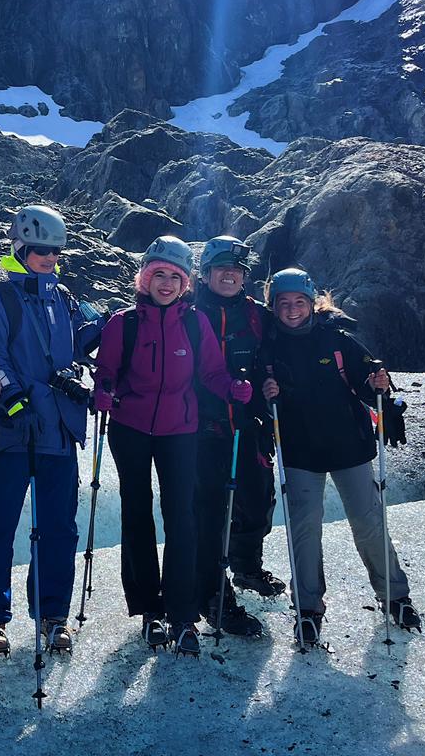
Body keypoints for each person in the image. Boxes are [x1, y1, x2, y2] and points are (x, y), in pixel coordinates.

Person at [92, 236, 253, 656]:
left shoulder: (195, 323)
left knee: (182, 516)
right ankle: (150, 610)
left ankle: (182, 613)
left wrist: (232, 387)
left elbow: (211, 374)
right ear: (145, 278)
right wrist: (104, 389)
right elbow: (105, 370)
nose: (165, 283)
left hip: (181, 431)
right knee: (137, 513)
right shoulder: (122, 323)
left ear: (185, 284)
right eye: (158, 274)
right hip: (129, 429)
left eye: (174, 277)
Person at [0, 205, 104, 658]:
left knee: (58, 527)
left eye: (54, 251)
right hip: (15, 431)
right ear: (19, 248)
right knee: (0, 526)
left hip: (60, 430)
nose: (48, 257)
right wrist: (15, 401)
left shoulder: (63, 297)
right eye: (39, 250)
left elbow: (82, 342)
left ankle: (52, 616)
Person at [257, 267, 421, 645]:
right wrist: (266, 394)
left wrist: (378, 384)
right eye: (284, 303)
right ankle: (308, 607)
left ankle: (395, 596)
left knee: (368, 523)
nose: (292, 309)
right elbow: (264, 404)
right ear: (274, 306)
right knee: (304, 530)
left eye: (299, 302)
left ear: (312, 303)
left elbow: (371, 386)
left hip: (349, 447)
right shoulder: (268, 350)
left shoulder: (338, 340)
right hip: (300, 451)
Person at [191, 237, 284, 640]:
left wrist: (268, 383)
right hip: (203, 429)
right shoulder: (189, 313)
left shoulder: (257, 316)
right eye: (221, 269)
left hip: (249, 425)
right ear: (206, 273)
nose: (229, 275)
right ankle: (213, 595)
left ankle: (246, 566)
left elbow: (276, 355)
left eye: (237, 270)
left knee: (258, 498)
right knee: (210, 514)